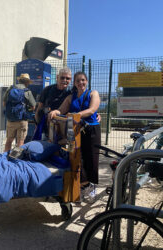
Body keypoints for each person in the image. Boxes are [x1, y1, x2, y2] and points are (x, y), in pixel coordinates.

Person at [49, 71, 101, 201]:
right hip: (74, 129)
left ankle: (91, 187)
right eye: (78, 81)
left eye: (83, 80)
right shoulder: (70, 97)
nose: (80, 83)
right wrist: (56, 111)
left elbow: (92, 110)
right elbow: (62, 109)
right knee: (76, 157)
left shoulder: (93, 93)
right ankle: (84, 185)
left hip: (90, 130)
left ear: (87, 81)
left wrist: (76, 115)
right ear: (75, 83)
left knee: (91, 158)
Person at [33, 68, 73, 140]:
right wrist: (37, 125)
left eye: (68, 78)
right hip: (46, 128)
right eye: (62, 78)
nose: (65, 80)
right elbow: (39, 109)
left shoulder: (70, 93)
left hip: (62, 130)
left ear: (70, 80)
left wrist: (96, 114)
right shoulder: (47, 90)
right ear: (57, 77)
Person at [3, 73, 36, 152]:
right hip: (22, 121)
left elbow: (4, 103)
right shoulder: (27, 91)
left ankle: (4, 157)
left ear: (19, 81)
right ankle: (16, 159)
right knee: (20, 142)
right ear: (27, 82)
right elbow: (33, 106)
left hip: (10, 120)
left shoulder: (10, 89)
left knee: (9, 140)